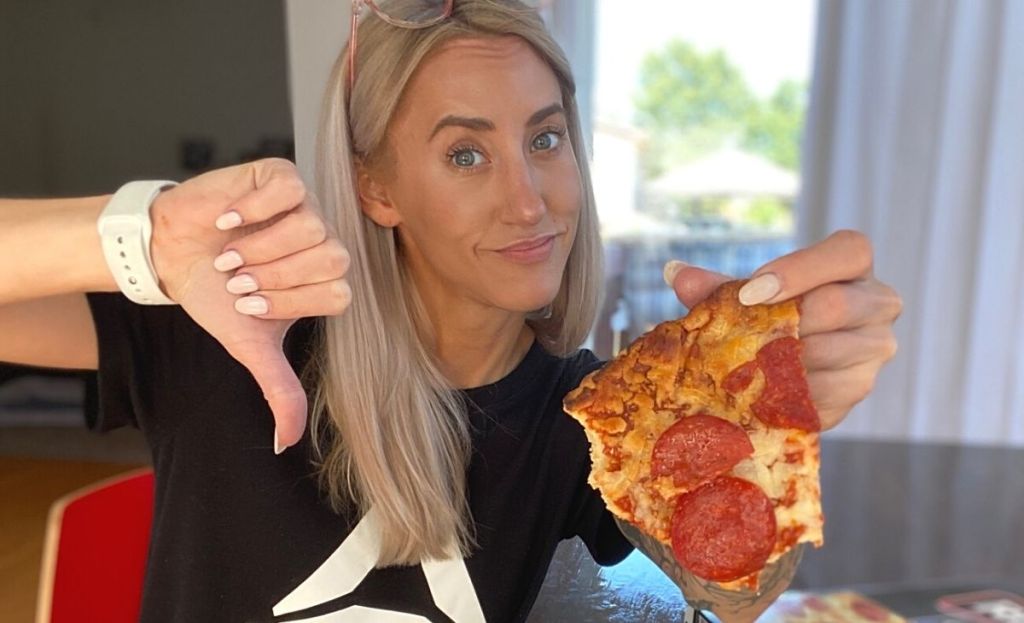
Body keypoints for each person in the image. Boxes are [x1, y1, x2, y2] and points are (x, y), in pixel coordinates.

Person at [0, 1, 901, 621]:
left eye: (544, 139)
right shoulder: (232, 328)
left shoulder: (590, 414)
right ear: (376, 188)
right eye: (465, 155)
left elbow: (730, 592)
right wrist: (140, 234)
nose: (530, 201)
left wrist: (773, 433)